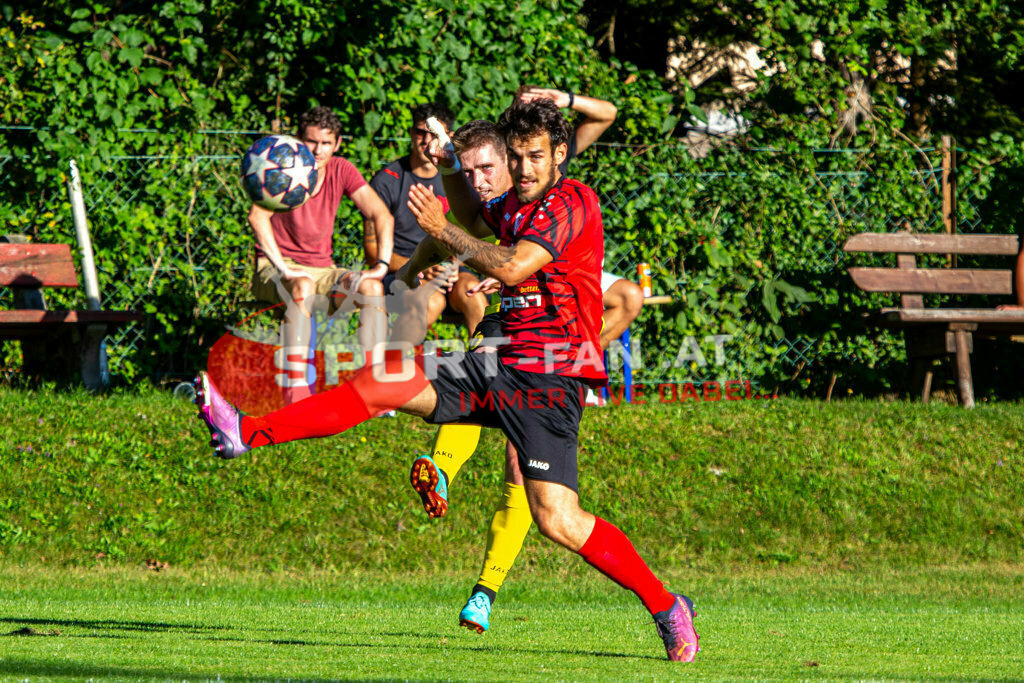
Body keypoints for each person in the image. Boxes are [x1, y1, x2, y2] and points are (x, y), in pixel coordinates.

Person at [195, 98, 699, 662]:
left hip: (548, 379)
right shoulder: (514, 202)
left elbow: (507, 264)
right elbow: (475, 216)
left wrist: (441, 230)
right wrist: (452, 161)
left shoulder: (572, 200)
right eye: (517, 156)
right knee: (382, 379)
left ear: (560, 154)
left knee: (557, 518)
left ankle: (665, 606)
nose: (525, 167)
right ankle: (245, 432)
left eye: (536, 156)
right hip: (494, 360)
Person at [250, 106, 394, 404]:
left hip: (322, 270)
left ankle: (373, 388)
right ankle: (297, 393)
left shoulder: (341, 169)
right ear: (299, 140)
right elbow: (257, 217)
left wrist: (381, 265)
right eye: (311, 142)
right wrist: (282, 267)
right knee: (302, 285)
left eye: (326, 143)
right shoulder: (282, 166)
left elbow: (382, 215)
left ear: (337, 144)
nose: (318, 150)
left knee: (371, 288)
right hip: (276, 268)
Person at [368, 103, 487, 333]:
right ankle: (388, 365)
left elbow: (475, 232)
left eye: (433, 134)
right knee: (430, 302)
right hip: (402, 272)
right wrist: (418, 266)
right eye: (420, 132)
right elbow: (372, 251)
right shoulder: (387, 181)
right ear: (411, 133)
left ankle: (483, 366)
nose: (426, 140)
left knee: (474, 293)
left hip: (450, 267)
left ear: (448, 137)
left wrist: (456, 265)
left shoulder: (462, 180)